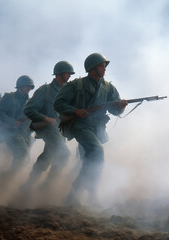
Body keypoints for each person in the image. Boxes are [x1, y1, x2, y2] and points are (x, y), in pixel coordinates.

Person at [53, 53, 128, 205]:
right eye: (102, 65)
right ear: (93, 68)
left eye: (105, 66)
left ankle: (82, 195)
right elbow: (58, 104)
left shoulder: (108, 88)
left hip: (96, 127)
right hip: (79, 125)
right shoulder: (76, 85)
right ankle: (78, 192)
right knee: (97, 151)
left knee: (90, 160)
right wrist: (75, 110)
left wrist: (120, 107)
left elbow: (115, 111)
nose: (105, 68)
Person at [21, 61, 75, 192]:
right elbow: (29, 110)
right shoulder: (45, 90)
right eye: (67, 73)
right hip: (47, 127)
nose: (69, 76)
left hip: (59, 129)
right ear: (59, 74)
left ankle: (28, 184)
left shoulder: (67, 91)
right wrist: (47, 119)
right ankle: (46, 186)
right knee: (64, 154)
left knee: (48, 155)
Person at [0, 75, 34, 180]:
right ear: (20, 87)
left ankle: (5, 175)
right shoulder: (9, 98)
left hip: (22, 134)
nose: (29, 89)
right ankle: (6, 178)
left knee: (25, 159)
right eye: (27, 86)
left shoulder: (29, 102)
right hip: (8, 132)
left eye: (30, 87)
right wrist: (12, 122)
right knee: (22, 153)